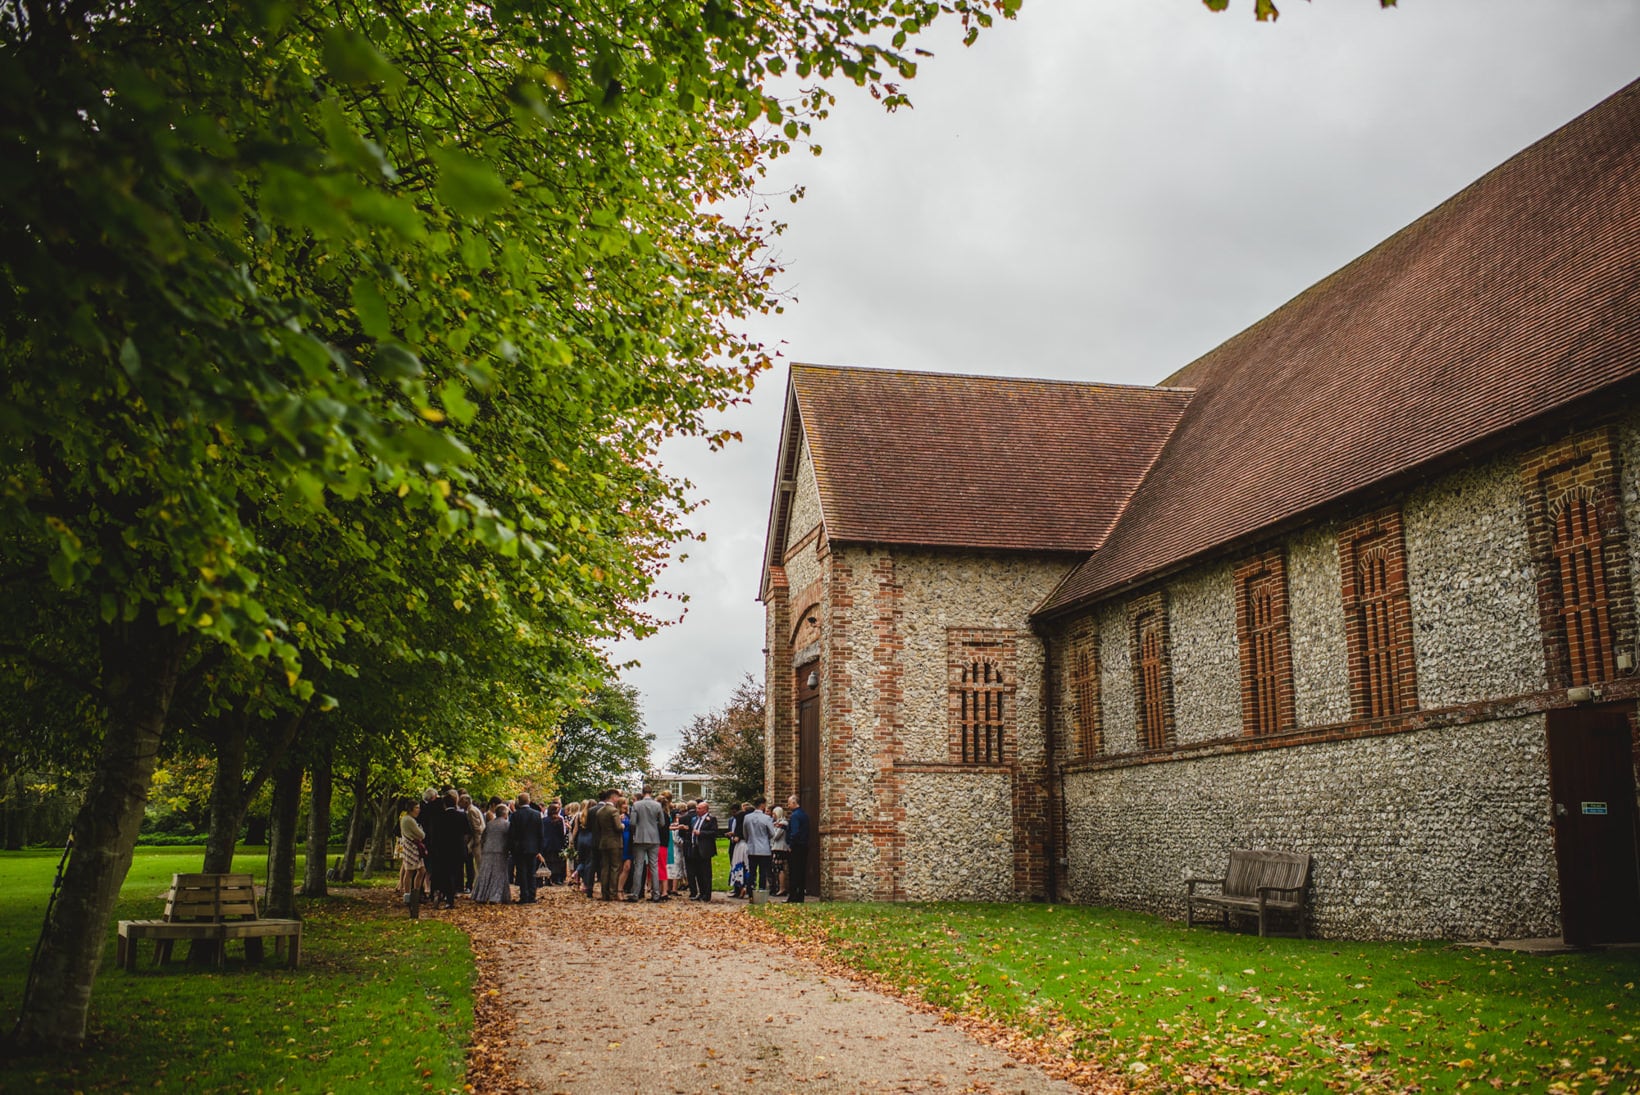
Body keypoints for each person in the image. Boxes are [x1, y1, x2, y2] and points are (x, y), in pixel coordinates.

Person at [627, 787, 667, 902]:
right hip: (654, 838)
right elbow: (662, 823)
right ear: (651, 793)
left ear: (643, 793)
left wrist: (636, 832)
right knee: (654, 866)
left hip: (640, 837)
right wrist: (654, 827)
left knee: (639, 866)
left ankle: (635, 893)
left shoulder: (636, 805)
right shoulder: (657, 805)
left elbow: (633, 822)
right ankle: (656, 894)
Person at [431, 791, 468, 908]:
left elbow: (435, 835)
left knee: (446, 873)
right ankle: (451, 895)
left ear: (444, 805)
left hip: (444, 850)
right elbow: (467, 832)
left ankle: (447, 895)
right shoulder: (461, 816)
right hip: (458, 849)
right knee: (456, 872)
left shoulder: (440, 817)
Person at [508, 792, 545, 903]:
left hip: (519, 848)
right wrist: (540, 849)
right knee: (531, 872)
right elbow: (540, 833)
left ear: (519, 802)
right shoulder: (536, 814)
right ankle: (532, 896)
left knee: (522, 872)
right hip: (533, 847)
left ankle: (524, 896)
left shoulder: (515, 815)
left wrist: (512, 848)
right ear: (528, 801)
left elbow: (512, 834)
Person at [588, 789, 624, 901]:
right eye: (617, 797)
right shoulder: (613, 811)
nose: (618, 799)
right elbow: (618, 828)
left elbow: (598, 828)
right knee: (615, 868)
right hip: (614, 842)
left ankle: (605, 893)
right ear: (613, 797)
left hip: (603, 842)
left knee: (604, 868)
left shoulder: (600, 812)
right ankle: (612, 893)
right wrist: (622, 825)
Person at [471, 802, 512, 903]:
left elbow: (483, 837)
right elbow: (509, 839)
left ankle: (481, 895)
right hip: (500, 851)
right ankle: (496, 896)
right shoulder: (507, 825)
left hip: (488, 851)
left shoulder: (489, 824)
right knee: (499, 874)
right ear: (505, 814)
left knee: (485, 873)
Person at [686, 799, 719, 902]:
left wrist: (701, 833)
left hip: (705, 849)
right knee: (698, 872)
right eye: (697, 808)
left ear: (705, 809)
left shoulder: (711, 819)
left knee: (705, 873)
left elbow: (714, 833)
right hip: (695, 848)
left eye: (699, 808)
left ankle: (707, 894)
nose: (697, 810)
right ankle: (701, 892)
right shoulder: (696, 819)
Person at [741, 797, 775, 896]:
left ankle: (750, 891)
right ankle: (761, 892)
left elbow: (745, 833)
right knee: (762, 872)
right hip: (764, 848)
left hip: (752, 847)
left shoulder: (747, 817)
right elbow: (772, 833)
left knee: (752, 871)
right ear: (762, 805)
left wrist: (750, 840)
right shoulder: (766, 818)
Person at [398, 799, 428, 902]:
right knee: (410, 871)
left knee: (421, 870)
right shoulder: (409, 820)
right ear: (411, 809)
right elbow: (421, 834)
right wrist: (421, 831)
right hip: (412, 847)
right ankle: (409, 895)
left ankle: (415, 892)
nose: (418, 810)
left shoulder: (407, 819)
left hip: (412, 847)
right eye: (417, 808)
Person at [784, 795, 810, 903]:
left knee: (794, 872)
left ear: (794, 803)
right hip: (804, 845)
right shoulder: (804, 815)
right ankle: (800, 896)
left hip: (796, 847)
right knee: (801, 871)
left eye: (789, 803)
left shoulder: (795, 816)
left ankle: (793, 896)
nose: (788, 805)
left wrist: (790, 845)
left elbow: (795, 832)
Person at [459, 791, 485, 895]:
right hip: (477, 840)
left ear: (465, 802)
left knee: (479, 865)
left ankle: (481, 888)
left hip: (477, 841)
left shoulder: (471, 811)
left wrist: (472, 843)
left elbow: (476, 828)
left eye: (460, 801)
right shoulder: (473, 810)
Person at [542, 802, 567, 886]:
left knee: (548, 861)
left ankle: (547, 879)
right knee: (557, 861)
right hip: (557, 843)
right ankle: (556, 878)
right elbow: (562, 833)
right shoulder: (559, 820)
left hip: (547, 843)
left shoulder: (544, 820)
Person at [770, 805, 790, 897]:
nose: (772, 815)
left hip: (780, 848)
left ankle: (782, 888)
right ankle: (779, 887)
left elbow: (775, 836)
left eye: (774, 813)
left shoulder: (783, 823)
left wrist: (772, 830)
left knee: (781, 868)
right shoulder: (776, 823)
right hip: (775, 847)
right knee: (777, 869)